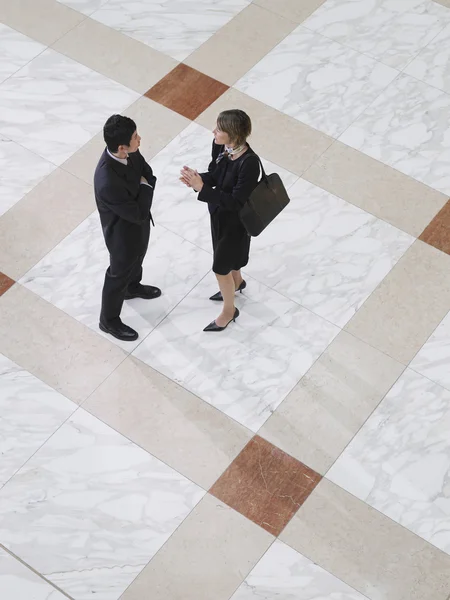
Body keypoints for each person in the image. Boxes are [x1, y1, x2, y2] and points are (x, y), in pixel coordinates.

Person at [180, 109, 260, 332]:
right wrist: (197, 180)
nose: (214, 131)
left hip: (236, 222)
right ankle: (237, 282)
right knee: (225, 256)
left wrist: (202, 189)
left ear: (233, 134)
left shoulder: (249, 163)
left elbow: (236, 202)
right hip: (218, 213)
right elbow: (214, 175)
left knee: (220, 268)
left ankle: (229, 310)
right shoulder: (221, 147)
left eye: (219, 129)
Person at [94, 114, 161, 342]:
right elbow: (138, 211)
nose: (139, 139)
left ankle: (132, 287)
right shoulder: (107, 181)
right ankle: (108, 320)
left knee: (139, 255)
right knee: (117, 274)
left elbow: (148, 173)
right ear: (122, 147)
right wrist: (144, 186)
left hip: (137, 225)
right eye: (135, 137)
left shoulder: (131, 152)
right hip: (121, 235)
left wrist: (144, 184)